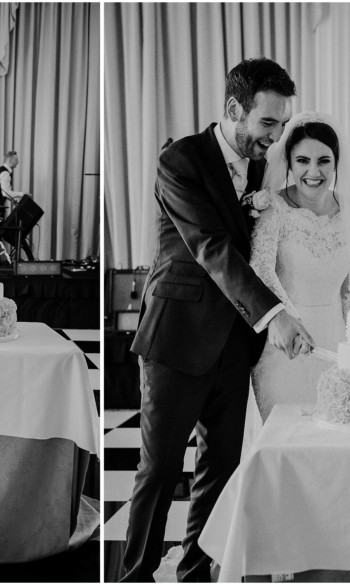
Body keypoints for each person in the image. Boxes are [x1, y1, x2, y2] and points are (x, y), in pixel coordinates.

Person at [122, 58, 313, 582]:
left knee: (219, 472)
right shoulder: (180, 159)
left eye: (280, 125)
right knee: (159, 471)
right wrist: (274, 315)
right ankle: (134, 575)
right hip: (177, 338)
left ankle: (196, 572)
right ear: (234, 109)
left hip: (234, 345)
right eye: (267, 124)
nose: (273, 139)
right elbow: (211, 247)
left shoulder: (260, 168)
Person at [250, 113, 350, 422]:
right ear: (288, 162)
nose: (313, 172)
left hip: (336, 345)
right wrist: (286, 319)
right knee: (284, 437)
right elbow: (260, 270)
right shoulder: (273, 207)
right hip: (283, 346)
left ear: (336, 163)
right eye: (302, 160)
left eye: (323, 161)